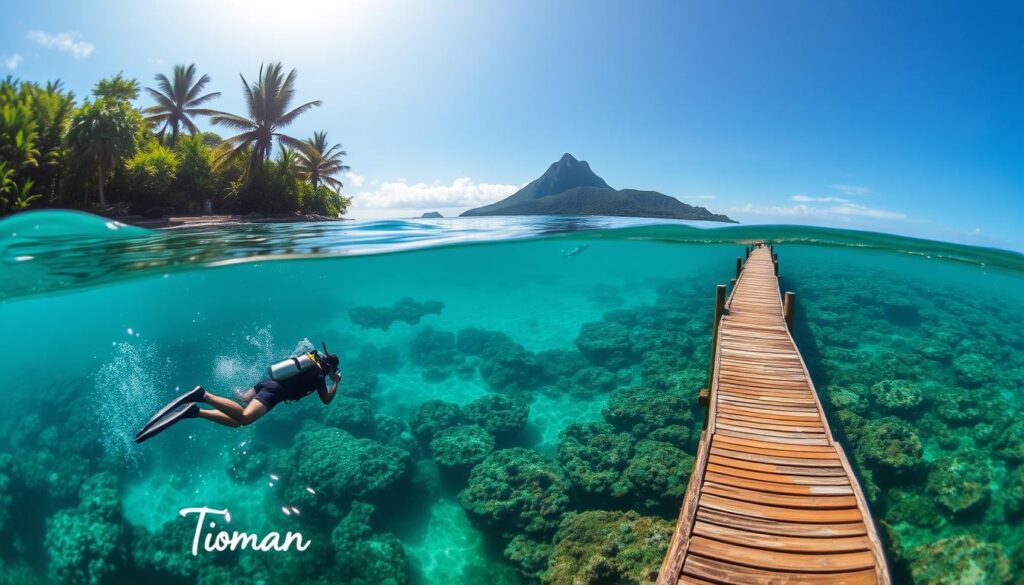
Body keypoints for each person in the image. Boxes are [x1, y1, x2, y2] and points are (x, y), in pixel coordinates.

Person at [136, 349, 341, 443]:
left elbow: (247, 398)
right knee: (245, 417)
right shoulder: (319, 376)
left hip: (267, 384)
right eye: (334, 371)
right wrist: (336, 383)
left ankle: (195, 412)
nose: (333, 375)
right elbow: (326, 401)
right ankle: (202, 395)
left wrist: (242, 394)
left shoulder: (308, 365)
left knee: (237, 423)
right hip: (275, 393)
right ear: (330, 368)